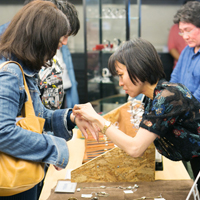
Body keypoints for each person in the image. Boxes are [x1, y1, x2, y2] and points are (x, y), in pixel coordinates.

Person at [73, 38, 200, 192]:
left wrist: (98, 118)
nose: (120, 83)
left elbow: (135, 149)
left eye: (121, 75)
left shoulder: (169, 97)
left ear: (139, 69)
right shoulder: (152, 97)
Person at [0, 1, 97, 199]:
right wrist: (54, 147)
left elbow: (36, 115)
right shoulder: (11, 73)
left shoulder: (24, 69)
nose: (62, 44)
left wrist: (71, 118)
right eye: (59, 39)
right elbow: (3, 132)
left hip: (25, 171)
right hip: (13, 181)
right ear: (42, 37)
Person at [170, 1, 200, 103]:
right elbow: (174, 79)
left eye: (188, 30)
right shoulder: (186, 51)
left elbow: (198, 98)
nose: (185, 37)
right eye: (181, 32)